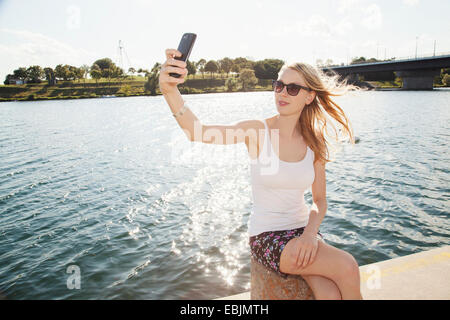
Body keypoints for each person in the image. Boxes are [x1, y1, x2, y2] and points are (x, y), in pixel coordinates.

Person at [159, 48, 363, 300]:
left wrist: (310, 235)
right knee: (348, 266)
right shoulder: (257, 131)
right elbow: (197, 131)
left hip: (304, 230)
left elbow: (319, 200)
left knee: (330, 294)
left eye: (293, 88)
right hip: (266, 235)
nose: (282, 93)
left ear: (309, 97)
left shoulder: (315, 141)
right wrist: (170, 90)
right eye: (279, 85)